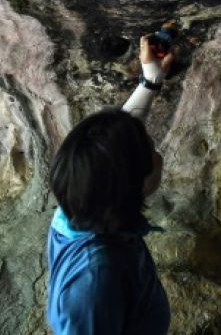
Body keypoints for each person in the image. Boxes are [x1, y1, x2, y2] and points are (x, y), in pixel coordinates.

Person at [46, 32, 175, 334]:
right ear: (136, 186)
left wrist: (150, 81)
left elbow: (112, 147)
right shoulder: (96, 280)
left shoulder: (78, 207)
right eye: (150, 150)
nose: (156, 151)